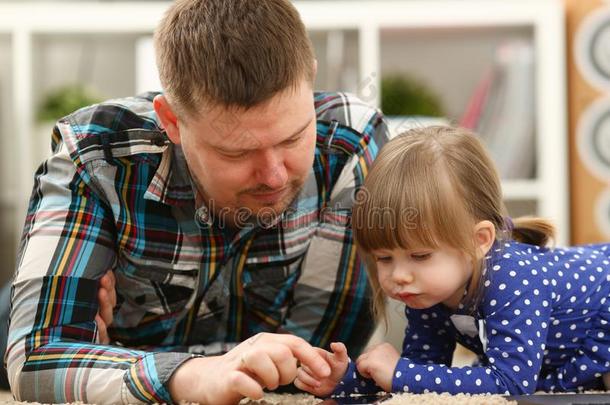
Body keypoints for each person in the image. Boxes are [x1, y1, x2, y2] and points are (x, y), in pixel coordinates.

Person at [4, 0, 389, 403]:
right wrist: (193, 375)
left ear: (310, 76)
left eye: (293, 138)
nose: (274, 176)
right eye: (237, 153)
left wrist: (110, 359)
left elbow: (315, 359)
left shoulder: (351, 144)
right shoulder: (98, 155)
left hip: (124, 347)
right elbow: (35, 359)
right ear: (171, 121)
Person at [294, 126, 610, 397]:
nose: (399, 275)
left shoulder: (512, 278)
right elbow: (424, 375)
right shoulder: (428, 290)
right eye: (384, 258)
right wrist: (352, 381)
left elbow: (512, 383)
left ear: (479, 241)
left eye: (420, 255)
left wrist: (400, 373)